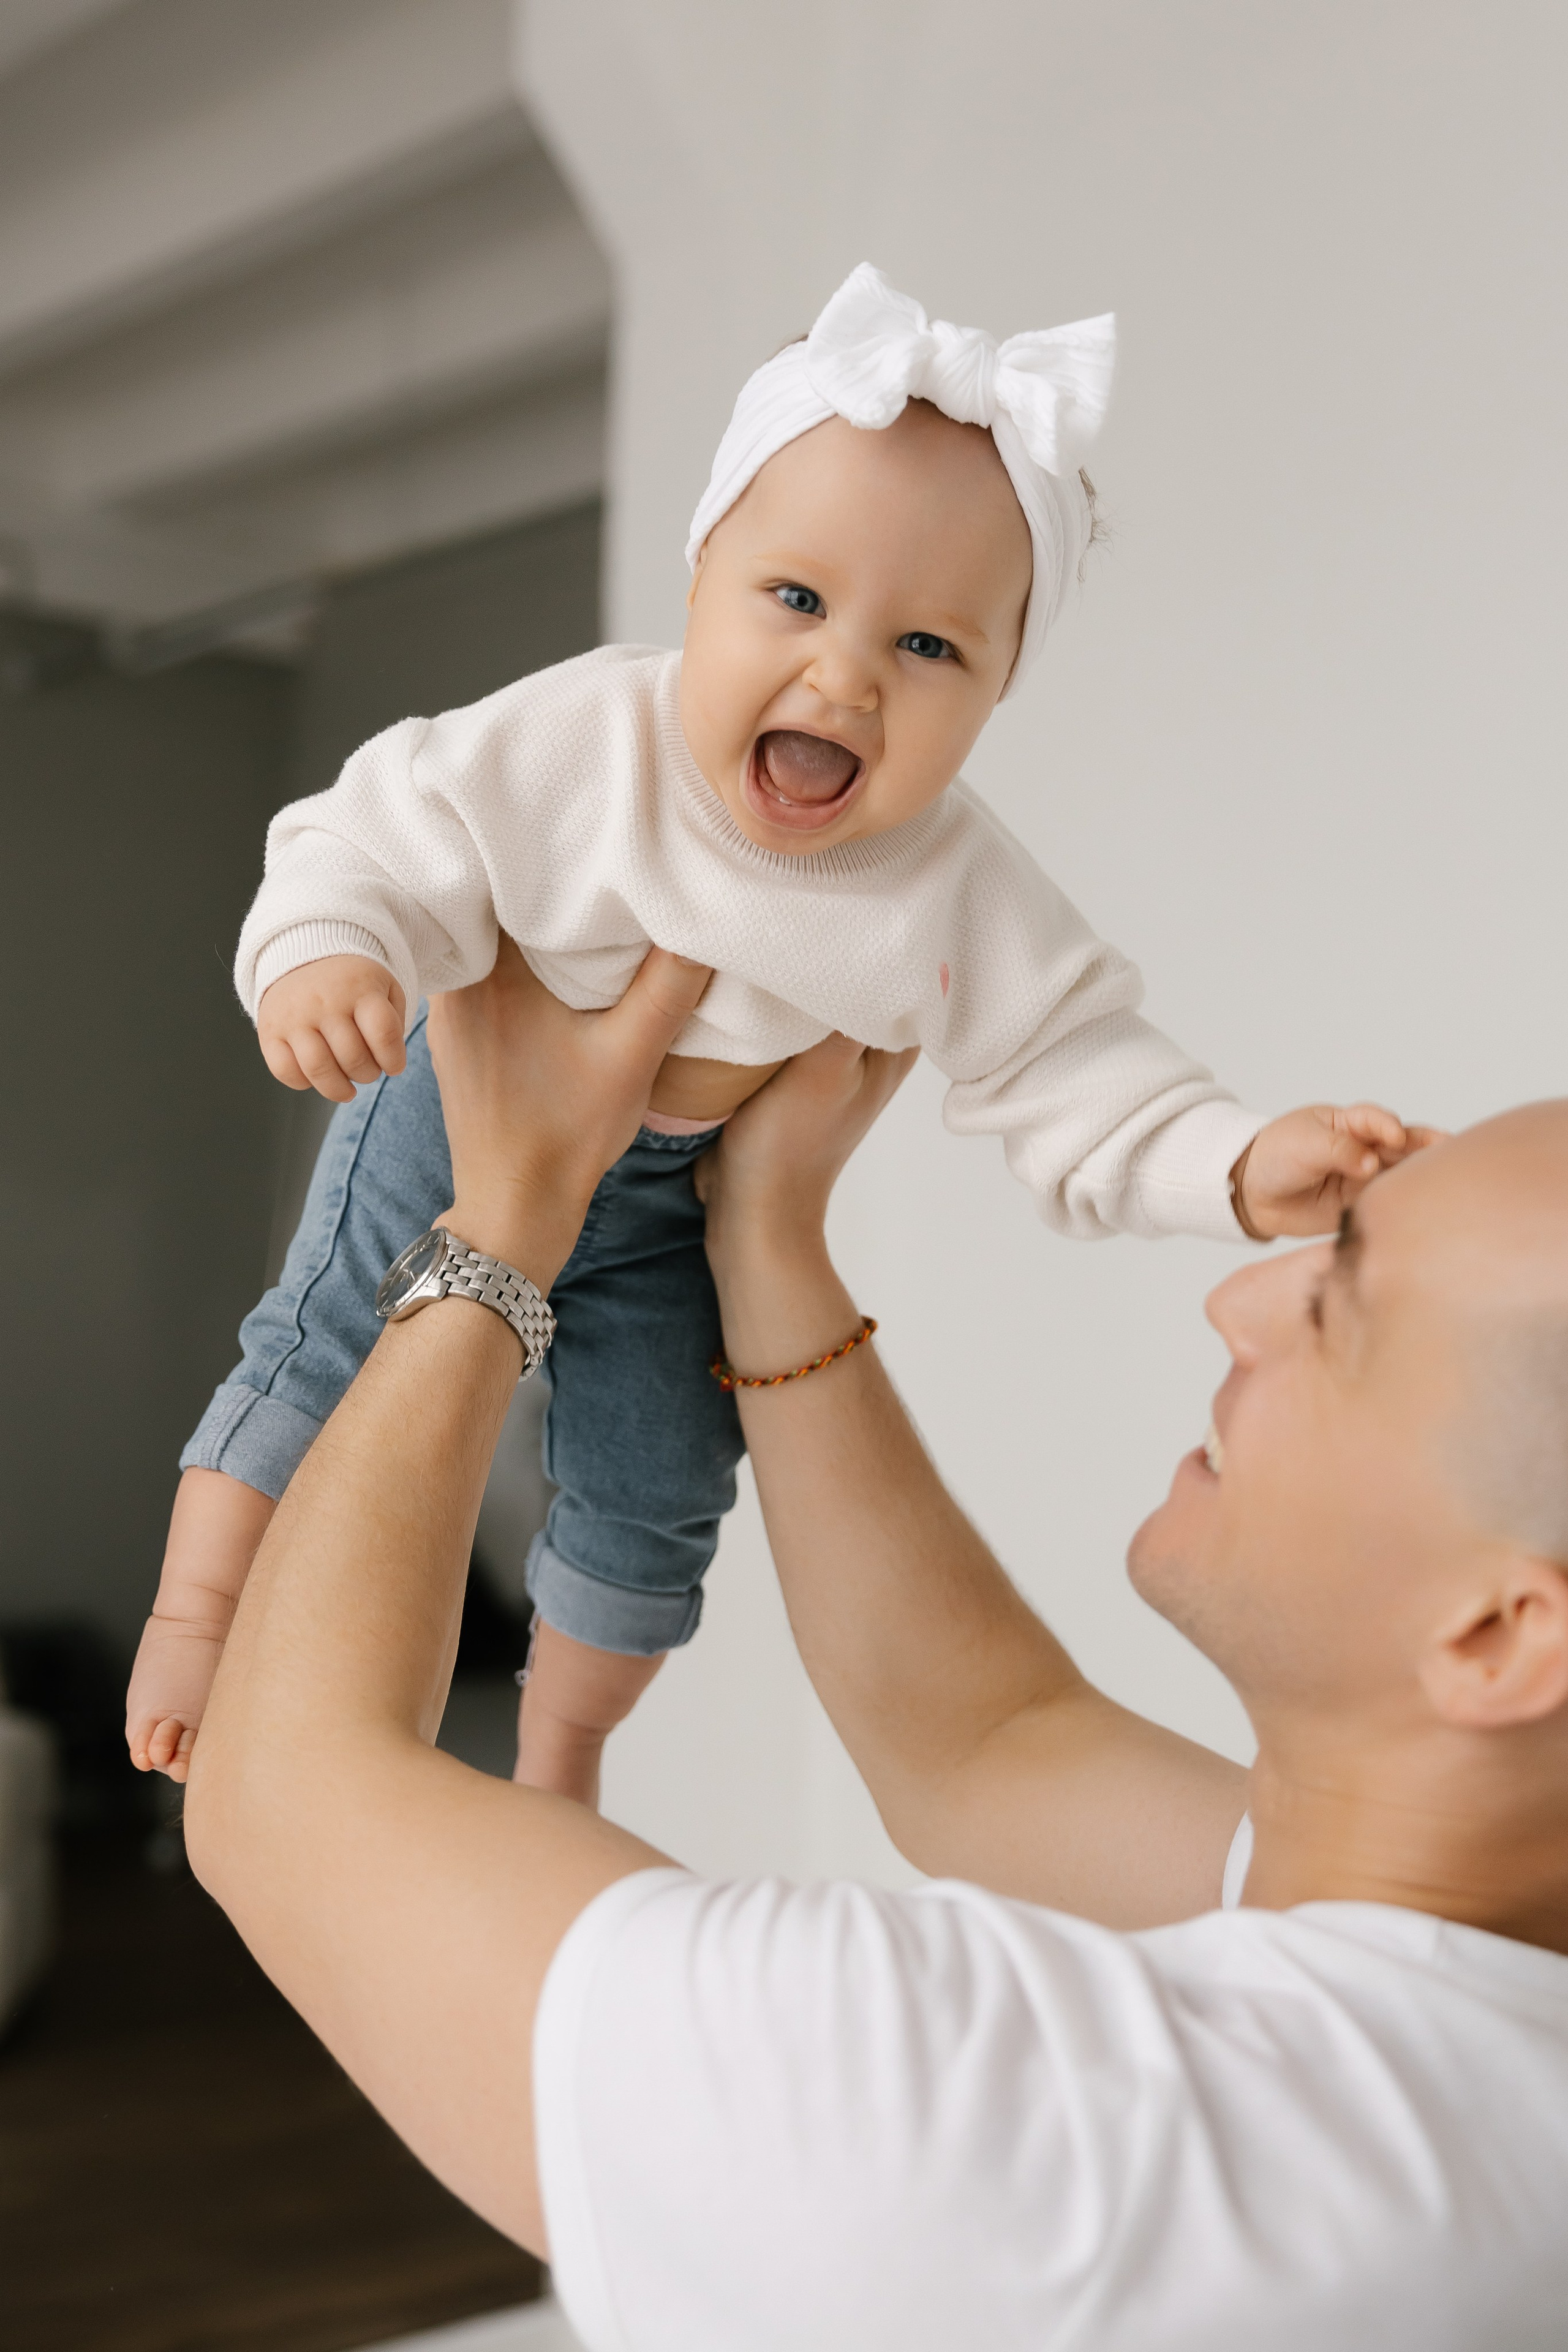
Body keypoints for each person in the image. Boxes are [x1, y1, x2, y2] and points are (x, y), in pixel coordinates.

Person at [129, 264, 1430, 1799]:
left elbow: (1077, 1065)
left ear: (1001, 689)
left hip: (690, 1200)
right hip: (453, 1108)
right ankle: (197, 1615)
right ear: (698, 585)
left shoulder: (950, 879)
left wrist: (1233, 1162)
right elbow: (376, 828)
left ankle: (564, 1751)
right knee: (325, 1332)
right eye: (796, 600)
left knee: (664, 1479)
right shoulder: (587, 737)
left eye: (929, 649)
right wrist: (328, 951)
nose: (846, 675)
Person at [184, 940, 1568, 2351]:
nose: (1238, 1298)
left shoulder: (1033, 2137)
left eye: (1337, 1310)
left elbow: (281, 1801)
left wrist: (503, 1224)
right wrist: (767, 1230)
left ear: (1498, 1634)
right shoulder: (1494, 2018)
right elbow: (985, 1741)